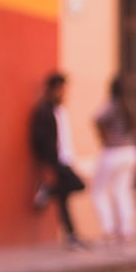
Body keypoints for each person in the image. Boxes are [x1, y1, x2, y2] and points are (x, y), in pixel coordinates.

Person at [28, 71, 87, 250]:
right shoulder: (43, 112)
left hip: (65, 158)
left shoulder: (60, 110)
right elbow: (40, 140)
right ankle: (48, 190)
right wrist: (47, 162)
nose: (63, 93)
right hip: (56, 160)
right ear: (52, 89)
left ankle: (71, 235)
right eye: (60, 89)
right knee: (78, 185)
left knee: (64, 200)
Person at [87, 75, 136, 243]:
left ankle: (108, 229)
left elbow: (96, 119)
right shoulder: (130, 106)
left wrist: (104, 135)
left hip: (113, 152)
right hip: (131, 152)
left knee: (98, 191)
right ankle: (126, 230)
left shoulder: (111, 106)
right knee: (122, 191)